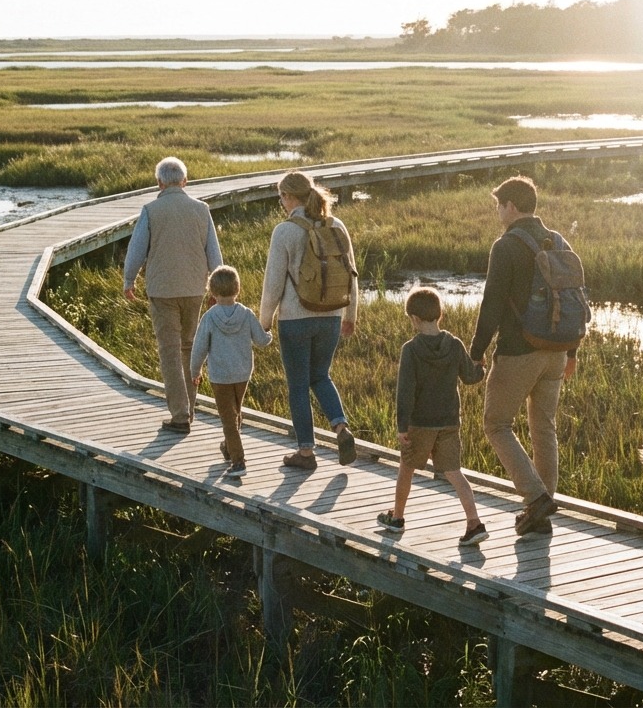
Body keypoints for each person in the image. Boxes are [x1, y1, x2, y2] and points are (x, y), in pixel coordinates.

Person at [469, 175, 578, 536]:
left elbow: (492, 305)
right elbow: (571, 299)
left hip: (520, 351)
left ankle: (535, 498)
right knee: (543, 427)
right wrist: (572, 351)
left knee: (496, 424)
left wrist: (477, 352)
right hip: (557, 351)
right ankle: (540, 512)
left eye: (499, 205)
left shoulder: (506, 246)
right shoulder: (558, 240)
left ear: (511, 206)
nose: (498, 212)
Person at [259, 170, 358, 470]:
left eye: (281, 198)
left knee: (298, 385)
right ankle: (341, 428)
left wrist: (263, 322)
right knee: (321, 375)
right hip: (331, 316)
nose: (281, 203)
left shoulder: (285, 231)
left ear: (289, 197)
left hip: (295, 319)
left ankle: (305, 453)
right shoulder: (336, 224)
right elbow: (352, 275)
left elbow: (273, 283)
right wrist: (350, 315)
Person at [377, 288, 488, 546]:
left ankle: (397, 518)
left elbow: (405, 393)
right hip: (449, 422)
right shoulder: (454, 344)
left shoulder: (411, 350)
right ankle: (474, 522)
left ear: (414, 319)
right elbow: (470, 377)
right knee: (454, 472)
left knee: (406, 468)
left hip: (420, 423)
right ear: (440, 315)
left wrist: (402, 426)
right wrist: (481, 368)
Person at [123, 156, 223, 433]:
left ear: (159, 183)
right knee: (189, 348)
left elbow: (136, 250)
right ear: (185, 181)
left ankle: (180, 416)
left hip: (162, 290)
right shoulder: (202, 209)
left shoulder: (151, 210)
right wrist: (218, 287)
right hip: (195, 290)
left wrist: (129, 280)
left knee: (169, 352)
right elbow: (213, 252)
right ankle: (190, 409)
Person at [190, 265, 272, 478]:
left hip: (220, 376)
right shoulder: (246, 314)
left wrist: (194, 370)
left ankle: (239, 462)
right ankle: (228, 447)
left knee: (228, 418)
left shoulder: (209, 317)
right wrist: (269, 333)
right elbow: (261, 341)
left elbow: (199, 348)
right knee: (234, 412)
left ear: (212, 292)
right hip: (242, 374)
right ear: (237, 289)